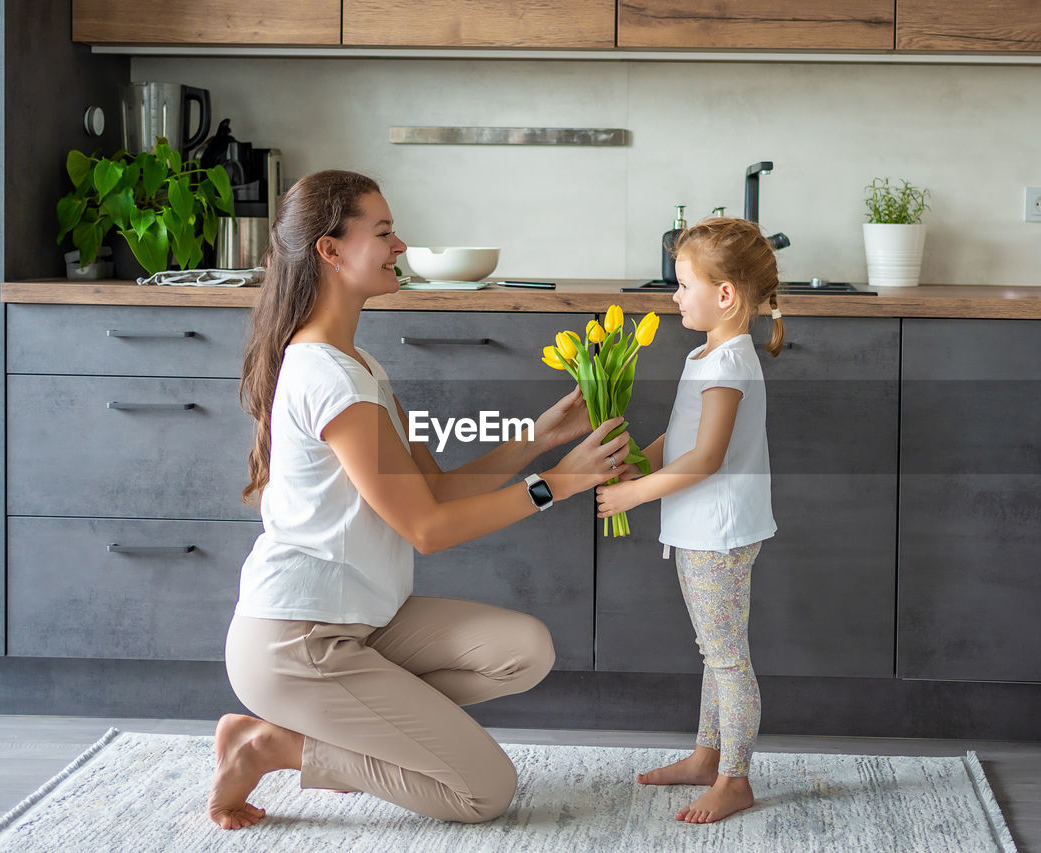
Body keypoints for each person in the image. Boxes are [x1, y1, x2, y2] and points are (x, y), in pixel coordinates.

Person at [207, 169, 631, 830]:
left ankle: (327, 727)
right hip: (298, 641)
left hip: (363, 621)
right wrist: (561, 483)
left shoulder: (361, 366)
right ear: (331, 250)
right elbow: (427, 527)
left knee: (524, 648)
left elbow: (434, 488)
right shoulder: (329, 377)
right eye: (382, 232)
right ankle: (277, 743)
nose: (399, 244)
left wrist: (539, 438)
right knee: (483, 791)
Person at [595, 217, 783, 824]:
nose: (674, 297)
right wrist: (637, 462)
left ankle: (735, 777)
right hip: (700, 529)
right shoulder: (708, 352)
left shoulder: (727, 364)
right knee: (714, 651)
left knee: (728, 658)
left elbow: (706, 458)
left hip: (718, 533)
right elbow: (683, 440)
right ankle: (708, 756)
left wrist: (635, 496)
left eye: (681, 284)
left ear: (724, 294)